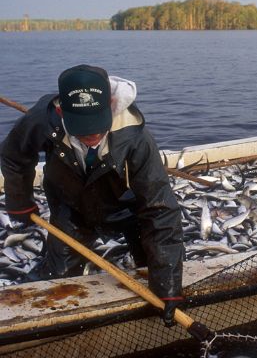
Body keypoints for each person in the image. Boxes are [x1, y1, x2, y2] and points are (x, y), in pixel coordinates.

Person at [0, 64, 184, 327]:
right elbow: (14, 156)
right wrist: (19, 201)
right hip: (72, 206)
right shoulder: (42, 119)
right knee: (58, 278)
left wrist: (168, 284)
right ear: (62, 111)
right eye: (82, 129)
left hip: (130, 209)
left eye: (97, 126)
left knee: (154, 274)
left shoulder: (136, 137)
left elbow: (160, 208)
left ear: (110, 104)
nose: (92, 136)